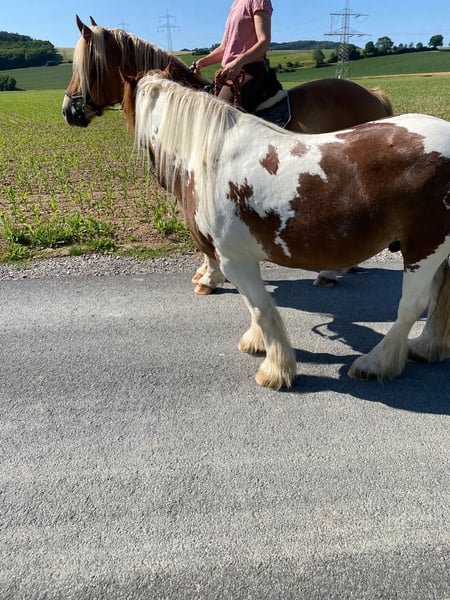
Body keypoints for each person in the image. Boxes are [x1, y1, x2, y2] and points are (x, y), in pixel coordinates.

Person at [192, 0, 274, 113]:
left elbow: (264, 42)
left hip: (249, 71)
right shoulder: (235, 5)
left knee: (218, 114)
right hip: (231, 73)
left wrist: (238, 62)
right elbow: (224, 48)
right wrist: (200, 63)